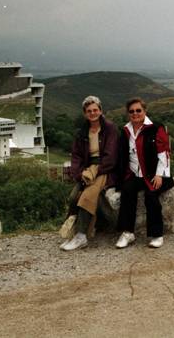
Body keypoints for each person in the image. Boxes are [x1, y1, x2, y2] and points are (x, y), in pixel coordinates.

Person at [60, 96, 119, 251]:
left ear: (100, 110)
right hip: (87, 171)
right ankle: (76, 230)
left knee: (87, 196)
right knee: (74, 197)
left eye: (95, 110)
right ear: (85, 113)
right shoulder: (82, 132)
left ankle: (81, 236)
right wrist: (79, 175)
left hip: (106, 169)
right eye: (89, 111)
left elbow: (111, 157)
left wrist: (95, 171)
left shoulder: (110, 129)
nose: (92, 113)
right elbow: (76, 156)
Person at [116, 97, 174, 249]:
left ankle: (157, 235)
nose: (135, 114)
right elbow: (124, 155)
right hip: (135, 175)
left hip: (155, 174)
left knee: (151, 196)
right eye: (131, 111)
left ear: (144, 111)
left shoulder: (156, 128)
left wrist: (160, 174)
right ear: (128, 113)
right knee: (127, 192)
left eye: (138, 110)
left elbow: (164, 153)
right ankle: (128, 233)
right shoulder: (126, 130)